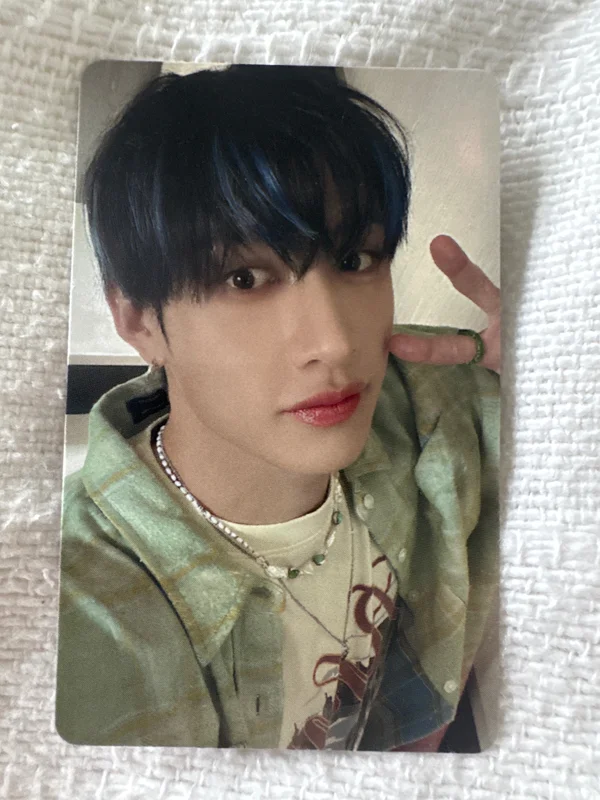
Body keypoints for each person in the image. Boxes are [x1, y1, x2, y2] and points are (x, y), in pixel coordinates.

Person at [55, 64, 501, 751]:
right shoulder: (79, 605)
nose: (336, 343)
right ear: (139, 319)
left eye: (355, 259)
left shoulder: (441, 399)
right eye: (244, 278)